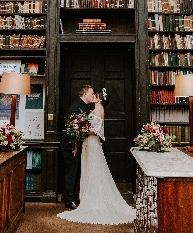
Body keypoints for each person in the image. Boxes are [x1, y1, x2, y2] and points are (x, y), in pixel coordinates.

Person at [58, 89, 136, 225]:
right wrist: (80, 129)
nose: (93, 96)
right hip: (86, 144)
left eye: (95, 95)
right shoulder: (87, 108)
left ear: (100, 100)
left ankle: (92, 198)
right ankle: (80, 197)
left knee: (93, 169)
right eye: (92, 93)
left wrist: (82, 129)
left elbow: (96, 130)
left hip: (92, 143)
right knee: (86, 169)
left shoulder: (98, 110)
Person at [60, 84, 96, 209]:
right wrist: (74, 145)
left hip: (76, 145)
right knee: (71, 172)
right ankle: (69, 200)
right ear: (84, 94)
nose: (93, 95)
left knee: (74, 172)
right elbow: (73, 128)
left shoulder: (84, 106)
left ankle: (73, 197)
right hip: (70, 145)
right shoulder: (76, 106)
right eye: (92, 93)